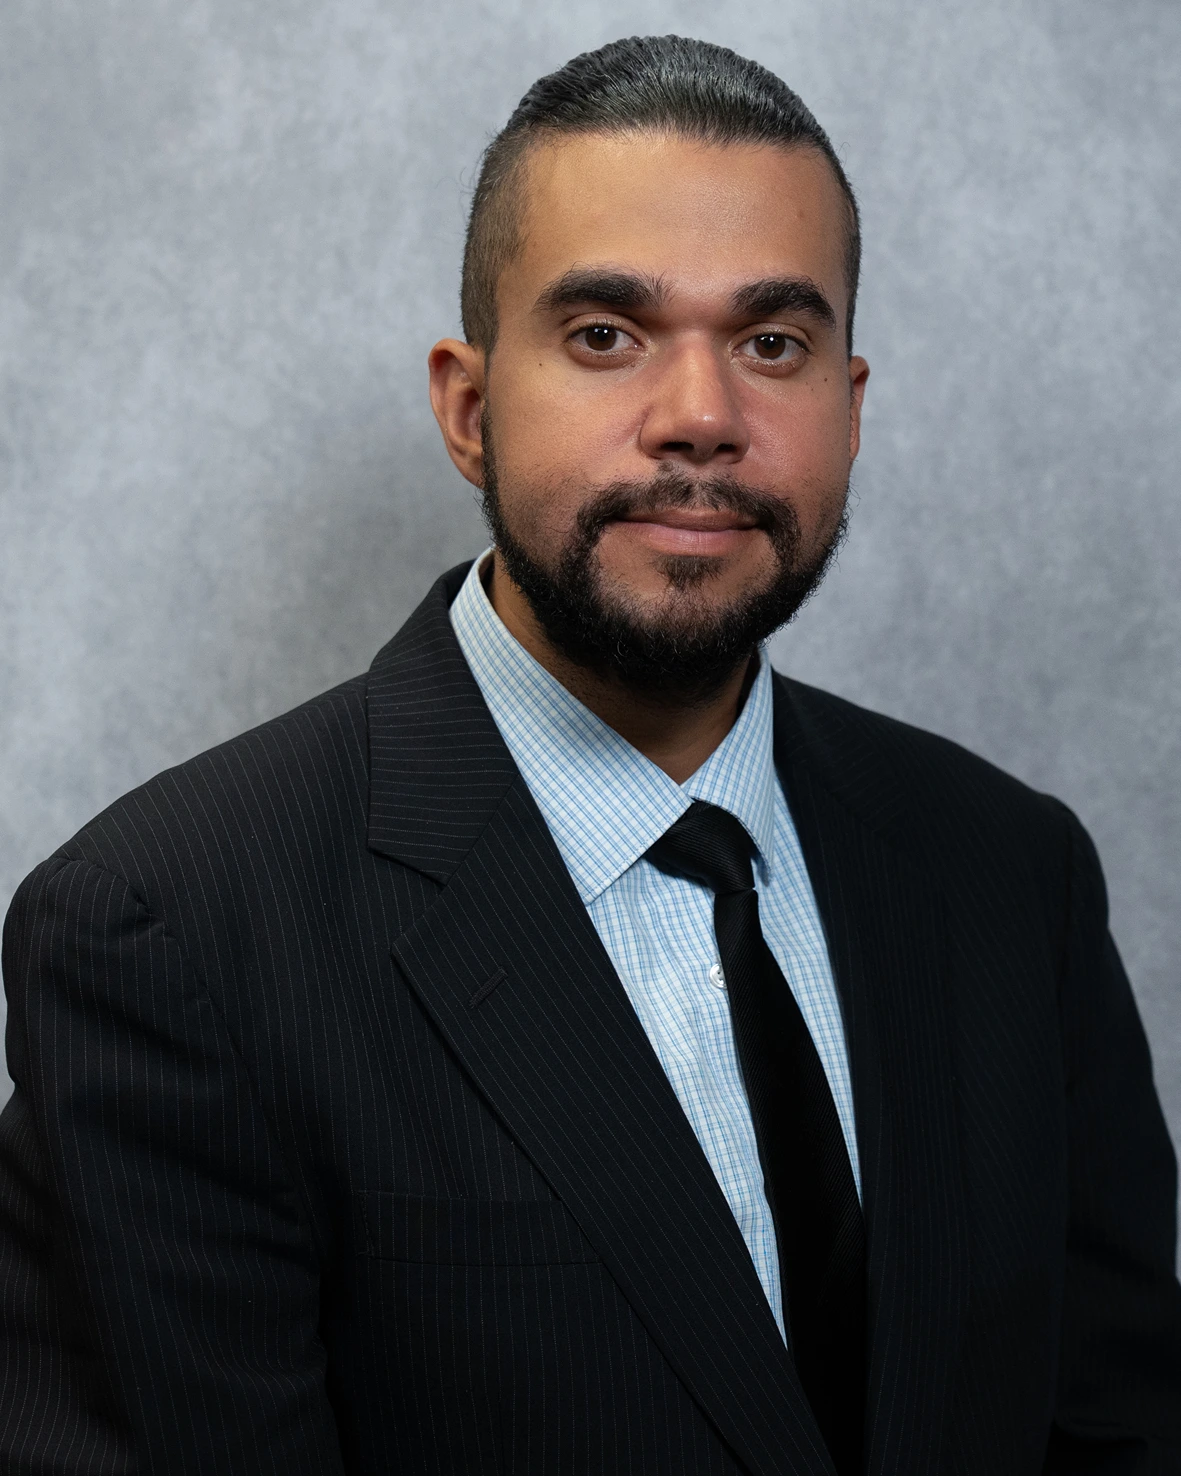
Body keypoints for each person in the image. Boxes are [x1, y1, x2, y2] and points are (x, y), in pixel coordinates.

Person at [1, 33, 1178, 1476]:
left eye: (774, 342)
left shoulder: (1013, 874)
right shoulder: (171, 934)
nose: (702, 417)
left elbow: (1119, 1429)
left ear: (850, 411)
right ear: (470, 408)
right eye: (607, 333)